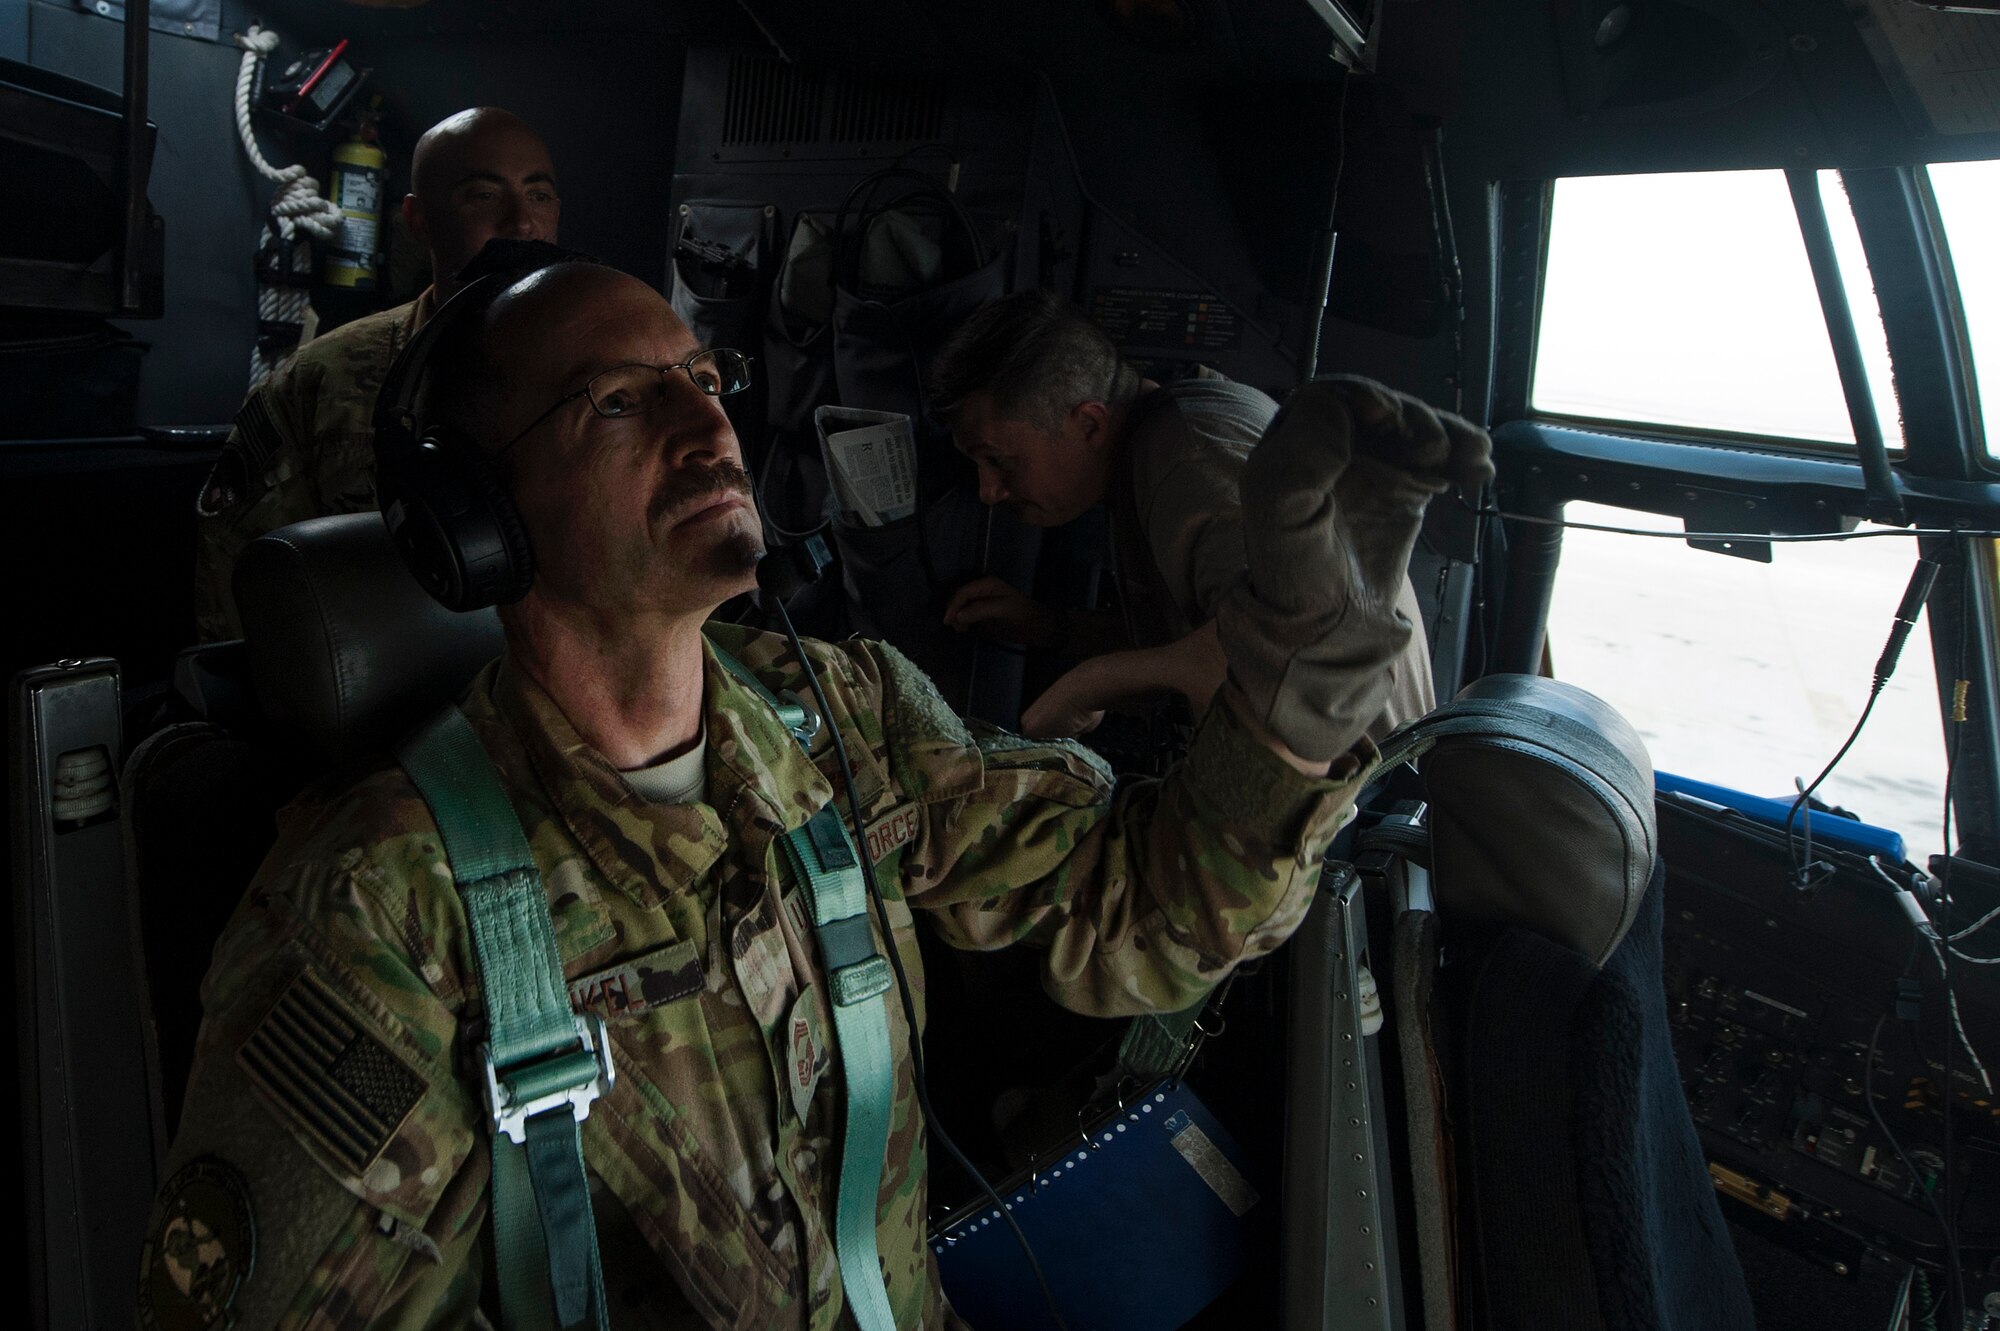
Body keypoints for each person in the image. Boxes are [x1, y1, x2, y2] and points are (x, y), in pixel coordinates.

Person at [138, 255, 1490, 1329]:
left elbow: (1149, 910)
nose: (704, 419)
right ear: (476, 514)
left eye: (701, 375)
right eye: (619, 399)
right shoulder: (377, 897)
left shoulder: (841, 714)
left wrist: (1301, 672)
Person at [933, 289, 1444, 743]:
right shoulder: (1168, 433)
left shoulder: (1189, 457)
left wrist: (1092, 684)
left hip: (1348, 803)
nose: (988, 490)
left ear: (1088, 422)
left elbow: (1301, 643)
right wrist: (1052, 627)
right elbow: (1199, 638)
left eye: (999, 461)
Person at [192, 106, 561, 641]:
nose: (521, 223)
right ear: (419, 220)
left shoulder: (617, 370)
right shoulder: (323, 379)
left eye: (539, 195)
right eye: (483, 195)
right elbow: (239, 581)